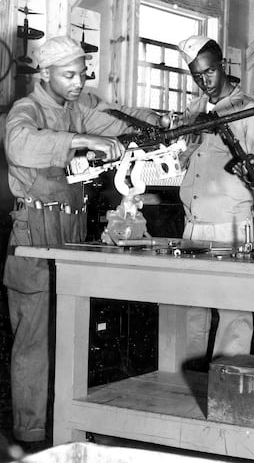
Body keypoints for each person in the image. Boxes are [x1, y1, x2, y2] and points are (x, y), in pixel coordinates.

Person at [3, 35, 160, 450]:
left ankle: (66, 425)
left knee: (71, 332)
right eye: (68, 75)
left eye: (82, 73)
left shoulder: (79, 107)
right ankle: (33, 437)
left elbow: (117, 120)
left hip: (70, 233)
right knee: (35, 342)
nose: (77, 82)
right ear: (45, 73)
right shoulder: (27, 109)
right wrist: (79, 141)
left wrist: (161, 123)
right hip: (34, 233)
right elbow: (19, 143)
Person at [177, 35, 254, 363]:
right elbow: (183, 159)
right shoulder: (194, 109)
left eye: (208, 72)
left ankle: (228, 390)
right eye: (196, 76)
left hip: (231, 225)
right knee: (192, 311)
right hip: (194, 225)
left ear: (223, 66)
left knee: (233, 314)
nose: (203, 81)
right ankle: (187, 384)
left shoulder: (249, 109)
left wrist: (249, 168)